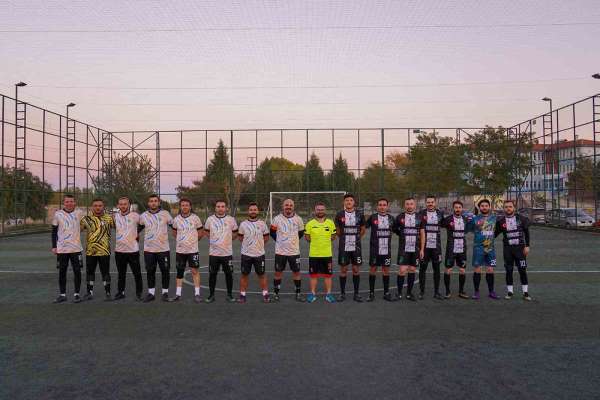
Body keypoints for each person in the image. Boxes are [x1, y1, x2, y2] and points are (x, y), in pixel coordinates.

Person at [495, 200, 532, 301]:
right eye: (506, 207)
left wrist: (527, 246)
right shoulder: (501, 221)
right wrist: (484, 238)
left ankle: (525, 293)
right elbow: (494, 234)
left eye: (510, 206)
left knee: (522, 270)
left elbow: (526, 232)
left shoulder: (522, 219)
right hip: (508, 250)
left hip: (520, 249)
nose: (508, 208)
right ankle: (510, 292)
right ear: (504, 208)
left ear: (514, 208)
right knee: (509, 270)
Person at [139, 194, 173, 302]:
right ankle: (151, 293)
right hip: (149, 250)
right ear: (148, 203)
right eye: (151, 201)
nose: (153, 203)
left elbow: (175, 227)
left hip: (163, 249)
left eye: (155, 201)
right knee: (150, 271)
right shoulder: (143, 216)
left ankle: (165, 293)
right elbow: (137, 230)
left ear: (158, 203)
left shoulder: (165, 214)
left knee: (165, 271)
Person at [51, 195, 85, 303]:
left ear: (75, 203)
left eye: (71, 201)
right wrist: (54, 246)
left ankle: (77, 294)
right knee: (62, 272)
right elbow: (54, 231)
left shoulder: (79, 213)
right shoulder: (58, 214)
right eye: (67, 201)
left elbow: (85, 225)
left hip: (76, 248)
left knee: (77, 271)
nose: (69, 203)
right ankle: (62, 294)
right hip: (62, 249)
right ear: (64, 203)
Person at [270, 199, 305, 302]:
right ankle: (276, 294)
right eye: (286, 205)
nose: (288, 206)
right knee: (278, 272)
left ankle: (298, 294)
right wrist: (280, 241)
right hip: (280, 252)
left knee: (296, 272)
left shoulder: (298, 219)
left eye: (290, 205)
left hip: (294, 252)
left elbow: (301, 233)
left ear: (293, 207)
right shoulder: (276, 219)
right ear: (283, 206)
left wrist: (292, 241)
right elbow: (272, 232)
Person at [204, 199, 238, 303]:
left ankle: (229, 295)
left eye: (222, 206)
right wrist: (215, 241)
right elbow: (206, 232)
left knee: (229, 274)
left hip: (227, 253)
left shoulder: (231, 219)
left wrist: (226, 240)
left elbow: (235, 233)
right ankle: (211, 295)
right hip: (214, 253)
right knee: (212, 274)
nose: (220, 208)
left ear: (226, 208)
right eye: (218, 206)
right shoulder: (210, 219)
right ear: (215, 208)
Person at [81, 198, 114, 301]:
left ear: (103, 207)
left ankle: (108, 293)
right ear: (92, 207)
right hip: (91, 251)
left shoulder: (109, 219)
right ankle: (89, 292)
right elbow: (77, 230)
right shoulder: (86, 219)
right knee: (90, 272)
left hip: (105, 251)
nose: (98, 207)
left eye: (100, 205)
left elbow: (121, 228)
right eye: (95, 205)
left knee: (105, 272)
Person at [237, 202, 270, 303]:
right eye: (251, 210)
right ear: (248, 211)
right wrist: (249, 245)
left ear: (258, 211)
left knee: (262, 274)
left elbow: (266, 237)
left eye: (255, 210)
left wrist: (258, 245)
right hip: (246, 255)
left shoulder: (262, 224)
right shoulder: (243, 224)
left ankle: (265, 294)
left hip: (259, 255)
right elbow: (240, 237)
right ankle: (242, 295)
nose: (253, 211)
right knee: (244, 275)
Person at [334, 193, 366, 302]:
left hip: (356, 247)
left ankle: (356, 294)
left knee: (356, 269)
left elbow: (363, 229)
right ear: (344, 202)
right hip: (344, 247)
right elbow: (338, 231)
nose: (349, 202)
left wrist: (356, 238)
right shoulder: (339, 215)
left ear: (354, 202)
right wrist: (344, 238)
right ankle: (342, 294)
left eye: (351, 200)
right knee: (343, 269)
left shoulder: (360, 214)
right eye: (347, 200)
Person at [171, 198, 203, 303]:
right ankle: (178, 294)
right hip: (180, 251)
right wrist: (182, 242)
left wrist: (192, 242)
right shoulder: (176, 220)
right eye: (183, 205)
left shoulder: (195, 218)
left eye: (187, 205)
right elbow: (174, 233)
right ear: (180, 207)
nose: (185, 207)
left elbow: (200, 233)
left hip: (193, 250)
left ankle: (197, 294)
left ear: (190, 207)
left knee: (194, 271)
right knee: (180, 271)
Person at [305, 202, 337, 303]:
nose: (320, 211)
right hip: (314, 254)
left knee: (328, 275)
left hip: (327, 254)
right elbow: (307, 237)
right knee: (313, 275)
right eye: (318, 209)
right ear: (315, 211)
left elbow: (333, 236)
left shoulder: (330, 223)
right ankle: (312, 294)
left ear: (325, 211)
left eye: (322, 209)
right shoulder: (310, 224)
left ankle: (328, 294)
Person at [365, 198, 396, 302]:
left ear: (387, 206)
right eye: (380, 205)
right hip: (374, 249)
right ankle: (371, 293)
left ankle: (386, 293)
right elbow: (363, 227)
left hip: (386, 250)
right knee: (373, 269)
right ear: (377, 207)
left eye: (384, 205)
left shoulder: (392, 219)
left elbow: (397, 230)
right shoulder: (372, 217)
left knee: (386, 270)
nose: (382, 207)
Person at [113, 196, 143, 301]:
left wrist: (136, 233)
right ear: (118, 205)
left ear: (129, 205)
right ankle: (121, 292)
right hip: (119, 250)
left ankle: (139, 293)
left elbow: (142, 225)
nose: (123, 206)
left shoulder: (135, 216)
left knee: (137, 273)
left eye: (125, 204)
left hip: (132, 251)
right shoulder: (115, 216)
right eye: (121, 204)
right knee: (121, 274)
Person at [441, 200, 472, 299]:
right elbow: (439, 225)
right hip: (451, 249)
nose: (458, 209)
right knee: (448, 269)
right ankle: (447, 291)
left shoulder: (465, 219)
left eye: (459, 207)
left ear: (462, 209)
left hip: (462, 249)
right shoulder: (448, 219)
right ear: (453, 208)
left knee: (462, 270)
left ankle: (461, 291)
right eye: (456, 207)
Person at [393, 197, 422, 301]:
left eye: (411, 204)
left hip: (416, 248)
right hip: (403, 248)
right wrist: (402, 234)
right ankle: (399, 293)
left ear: (414, 205)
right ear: (404, 205)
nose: (409, 206)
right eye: (407, 204)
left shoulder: (419, 217)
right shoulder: (399, 217)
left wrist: (422, 249)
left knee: (412, 269)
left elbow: (422, 233)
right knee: (402, 270)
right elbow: (395, 229)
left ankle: (409, 293)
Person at [470, 199, 499, 300]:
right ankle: (476, 292)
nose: (484, 207)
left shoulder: (494, 218)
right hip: (478, 248)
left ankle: (491, 291)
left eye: (486, 205)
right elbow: (466, 228)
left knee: (490, 269)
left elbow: (499, 230)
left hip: (490, 248)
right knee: (478, 269)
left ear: (489, 207)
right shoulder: (474, 219)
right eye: (482, 206)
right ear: (479, 207)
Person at [418, 195, 445, 300]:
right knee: (422, 269)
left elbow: (445, 225)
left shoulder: (440, 214)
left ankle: (437, 292)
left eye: (432, 202)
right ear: (425, 203)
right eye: (428, 202)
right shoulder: (421, 214)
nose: (430, 204)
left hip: (436, 247)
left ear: (435, 203)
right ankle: (421, 292)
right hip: (424, 247)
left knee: (437, 269)